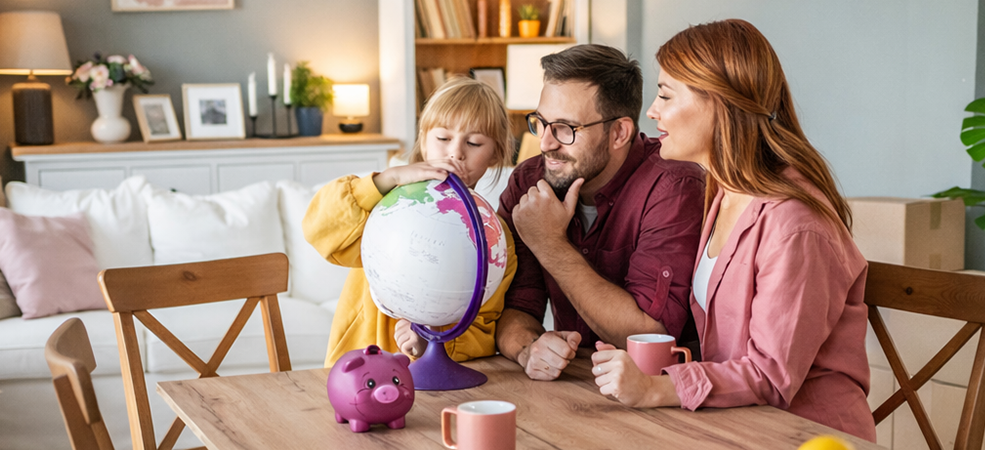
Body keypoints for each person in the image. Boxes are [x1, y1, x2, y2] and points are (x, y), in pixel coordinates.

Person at [588, 19, 877, 441]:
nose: (652, 110)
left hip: (809, 436)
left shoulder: (794, 223)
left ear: (719, 104)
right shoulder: (725, 193)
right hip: (737, 424)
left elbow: (770, 375)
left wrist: (656, 388)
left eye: (666, 95)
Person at [497, 44, 706, 381]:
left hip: (662, 395)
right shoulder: (529, 181)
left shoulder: (672, 186)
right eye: (541, 122)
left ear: (619, 133)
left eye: (566, 128)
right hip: (574, 389)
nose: (547, 143)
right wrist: (528, 349)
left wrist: (550, 245)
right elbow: (512, 307)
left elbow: (649, 336)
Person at [306, 77, 518, 366]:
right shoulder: (382, 204)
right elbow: (319, 227)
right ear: (424, 138)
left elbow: (483, 328)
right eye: (443, 138)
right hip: (357, 373)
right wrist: (389, 178)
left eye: (474, 142)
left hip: (433, 389)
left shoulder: (495, 238)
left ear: (495, 154)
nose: (455, 152)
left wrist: (431, 339)